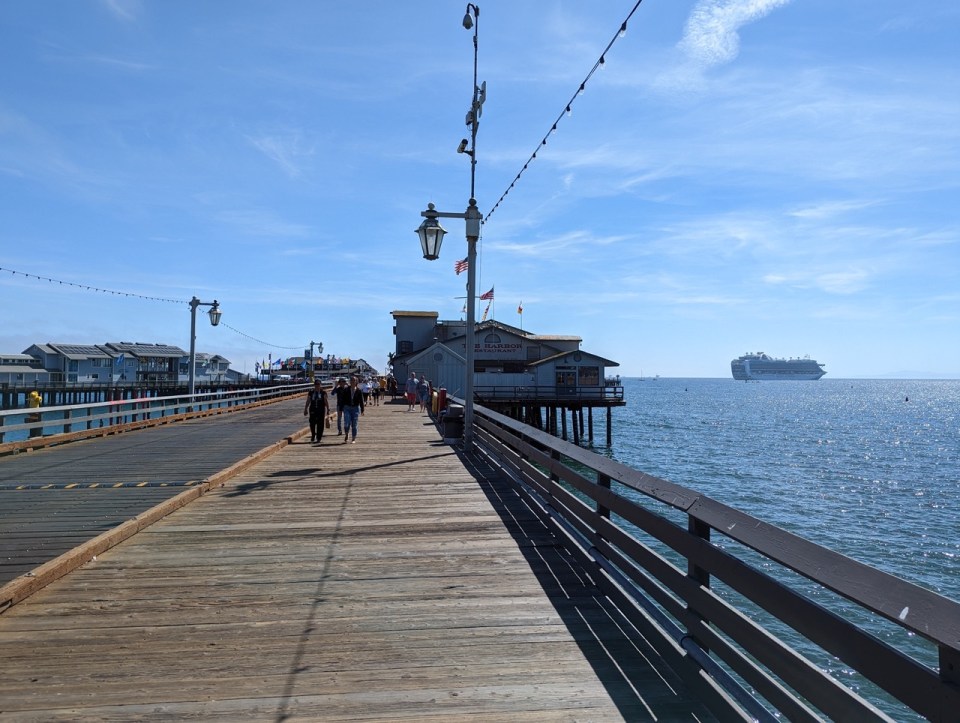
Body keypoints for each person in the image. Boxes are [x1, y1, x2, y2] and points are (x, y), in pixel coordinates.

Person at [341, 375, 365, 443]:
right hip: (347, 408)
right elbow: (342, 400)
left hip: (355, 408)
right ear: (350, 381)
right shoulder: (346, 390)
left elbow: (361, 401)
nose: (352, 381)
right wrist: (341, 409)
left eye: (354, 380)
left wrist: (362, 410)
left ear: (356, 381)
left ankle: (353, 438)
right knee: (346, 423)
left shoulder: (359, 391)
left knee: (354, 424)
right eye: (351, 380)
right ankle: (346, 434)